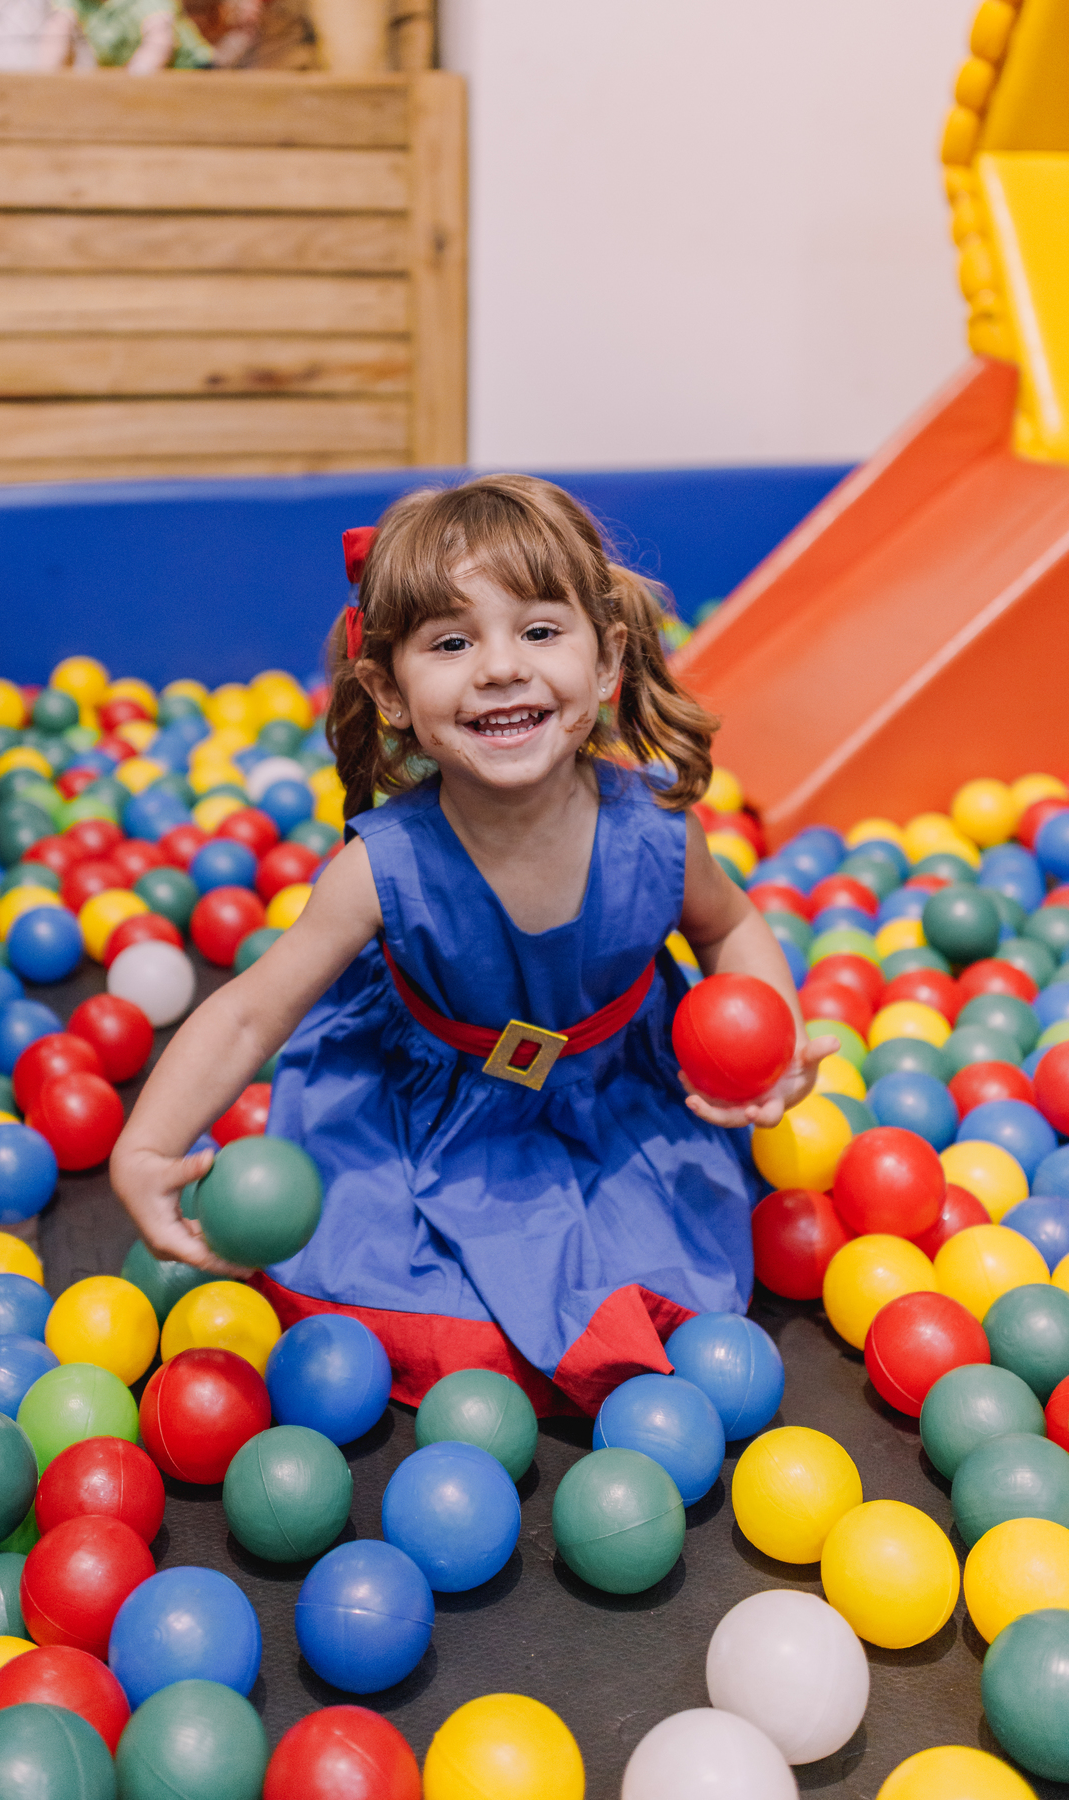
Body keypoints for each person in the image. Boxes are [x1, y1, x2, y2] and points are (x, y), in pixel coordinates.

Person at [111, 476, 835, 1415]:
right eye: (452, 644)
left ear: (608, 659)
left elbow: (731, 926)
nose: (500, 668)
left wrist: (767, 1053)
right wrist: (149, 1146)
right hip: (429, 1116)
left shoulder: (655, 831)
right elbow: (253, 1011)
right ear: (390, 689)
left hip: (615, 1101)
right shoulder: (384, 869)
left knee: (668, 1288)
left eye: (539, 631)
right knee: (422, 1325)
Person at [39, 0, 213, 72]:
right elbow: (57, 31)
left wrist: (127, 89)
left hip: (194, 72)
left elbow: (159, 40)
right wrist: (45, 88)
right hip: (132, 78)